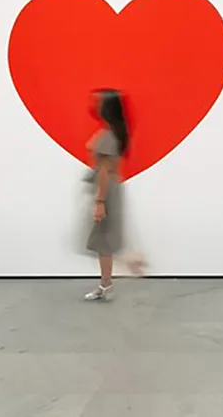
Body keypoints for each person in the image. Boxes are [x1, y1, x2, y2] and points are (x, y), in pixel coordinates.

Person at [82, 88, 130, 302]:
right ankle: (105, 283)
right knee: (105, 242)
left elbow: (104, 171)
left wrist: (100, 201)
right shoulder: (115, 133)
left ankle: (106, 284)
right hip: (111, 190)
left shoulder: (108, 137)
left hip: (107, 192)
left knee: (104, 242)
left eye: (99, 103)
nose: (95, 106)